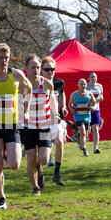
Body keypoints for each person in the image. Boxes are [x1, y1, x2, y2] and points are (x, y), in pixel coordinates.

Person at [0, 43, 32, 209]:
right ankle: (1, 197)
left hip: (12, 124)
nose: (4, 61)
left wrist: (26, 109)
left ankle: (4, 154)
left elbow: (29, 88)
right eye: (1, 57)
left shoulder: (16, 75)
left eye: (6, 58)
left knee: (15, 164)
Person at [19, 54, 58, 196]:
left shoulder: (47, 84)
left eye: (38, 67)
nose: (36, 70)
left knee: (43, 159)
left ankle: (40, 170)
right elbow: (16, 104)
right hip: (28, 127)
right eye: (32, 67)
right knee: (30, 158)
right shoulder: (20, 86)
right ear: (26, 69)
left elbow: (52, 100)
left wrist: (56, 114)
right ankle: (35, 187)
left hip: (44, 126)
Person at [41, 56, 66, 186]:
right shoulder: (36, 83)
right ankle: (40, 174)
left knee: (60, 141)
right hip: (40, 121)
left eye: (52, 69)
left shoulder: (59, 83)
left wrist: (64, 107)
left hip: (55, 119)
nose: (50, 72)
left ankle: (57, 172)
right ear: (41, 70)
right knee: (42, 155)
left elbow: (62, 94)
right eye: (47, 70)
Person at [69, 78, 97, 157]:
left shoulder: (89, 94)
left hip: (87, 116)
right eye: (81, 84)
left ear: (86, 85)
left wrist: (93, 108)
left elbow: (95, 103)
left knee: (86, 134)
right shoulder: (74, 94)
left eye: (84, 84)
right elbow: (69, 103)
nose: (83, 86)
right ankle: (85, 150)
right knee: (83, 132)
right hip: (78, 116)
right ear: (78, 85)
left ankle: (80, 140)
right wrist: (71, 109)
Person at [87, 72, 104, 154]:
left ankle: (96, 147)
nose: (94, 78)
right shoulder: (86, 86)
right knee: (87, 130)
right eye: (92, 77)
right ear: (89, 79)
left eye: (95, 77)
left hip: (96, 110)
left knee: (95, 129)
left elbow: (101, 97)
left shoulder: (99, 86)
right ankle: (83, 146)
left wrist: (100, 98)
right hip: (87, 110)